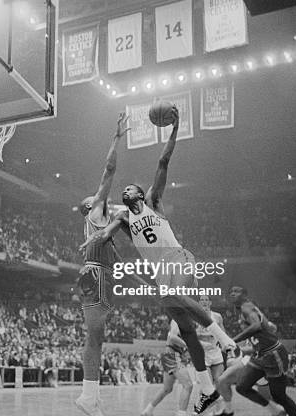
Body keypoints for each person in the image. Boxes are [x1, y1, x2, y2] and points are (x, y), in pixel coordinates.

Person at [79, 108, 237, 414]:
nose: (126, 189)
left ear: (140, 193)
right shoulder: (123, 217)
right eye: (123, 190)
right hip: (161, 273)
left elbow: (163, 161)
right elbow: (110, 228)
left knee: (172, 296)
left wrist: (174, 129)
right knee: (187, 331)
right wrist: (98, 236)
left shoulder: (153, 202)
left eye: (130, 188)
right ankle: (206, 389)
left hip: (177, 258)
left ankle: (223, 339)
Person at [74, 113, 129, 416]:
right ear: (88, 206)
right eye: (93, 197)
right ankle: (87, 395)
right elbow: (109, 170)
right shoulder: (94, 212)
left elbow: (115, 252)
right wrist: (116, 138)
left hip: (102, 274)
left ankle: (90, 396)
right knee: (93, 334)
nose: (99, 197)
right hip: (94, 274)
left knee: (98, 336)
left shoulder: (102, 223)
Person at [229, 286, 296, 416]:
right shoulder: (246, 308)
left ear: (244, 295)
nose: (232, 294)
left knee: (279, 396)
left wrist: (233, 340)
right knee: (241, 387)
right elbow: (270, 328)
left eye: (236, 291)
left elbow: (256, 326)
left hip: (273, 355)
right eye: (231, 292)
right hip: (260, 355)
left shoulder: (246, 306)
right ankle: (275, 410)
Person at [141, 319, 193, 416]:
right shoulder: (177, 320)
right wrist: (188, 345)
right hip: (173, 355)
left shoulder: (188, 323)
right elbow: (172, 337)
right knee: (188, 385)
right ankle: (181, 414)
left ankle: (148, 410)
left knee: (167, 389)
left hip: (171, 355)